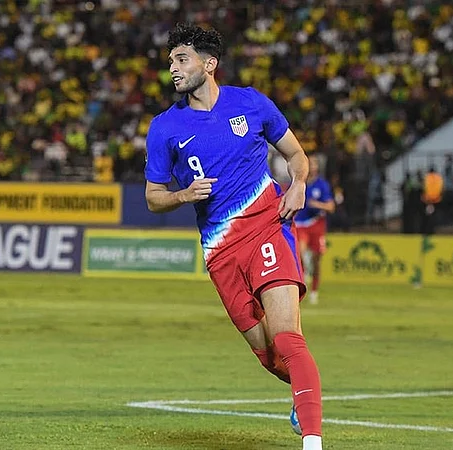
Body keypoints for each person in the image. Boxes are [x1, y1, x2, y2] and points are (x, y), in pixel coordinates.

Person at [143, 24, 323, 450]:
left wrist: (298, 185)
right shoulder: (165, 128)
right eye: (170, 60)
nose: (173, 67)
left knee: (286, 335)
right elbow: (153, 197)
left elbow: (297, 155)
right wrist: (183, 194)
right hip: (220, 252)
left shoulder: (251, 103)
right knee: (270, 357)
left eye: (181, 59)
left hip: (267, 226)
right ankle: (303, 387)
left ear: (209, 64)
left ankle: (313, 440)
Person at [294, 155, 335, 305]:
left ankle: (314, 291)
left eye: (314, 164)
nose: (311, 167)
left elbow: (331, 207)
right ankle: (305, 274)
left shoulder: (322, 185)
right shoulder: (298, 182)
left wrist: (316, 204)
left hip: (316, 224)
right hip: (300, 224)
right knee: (300, 252)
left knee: (317, 260)